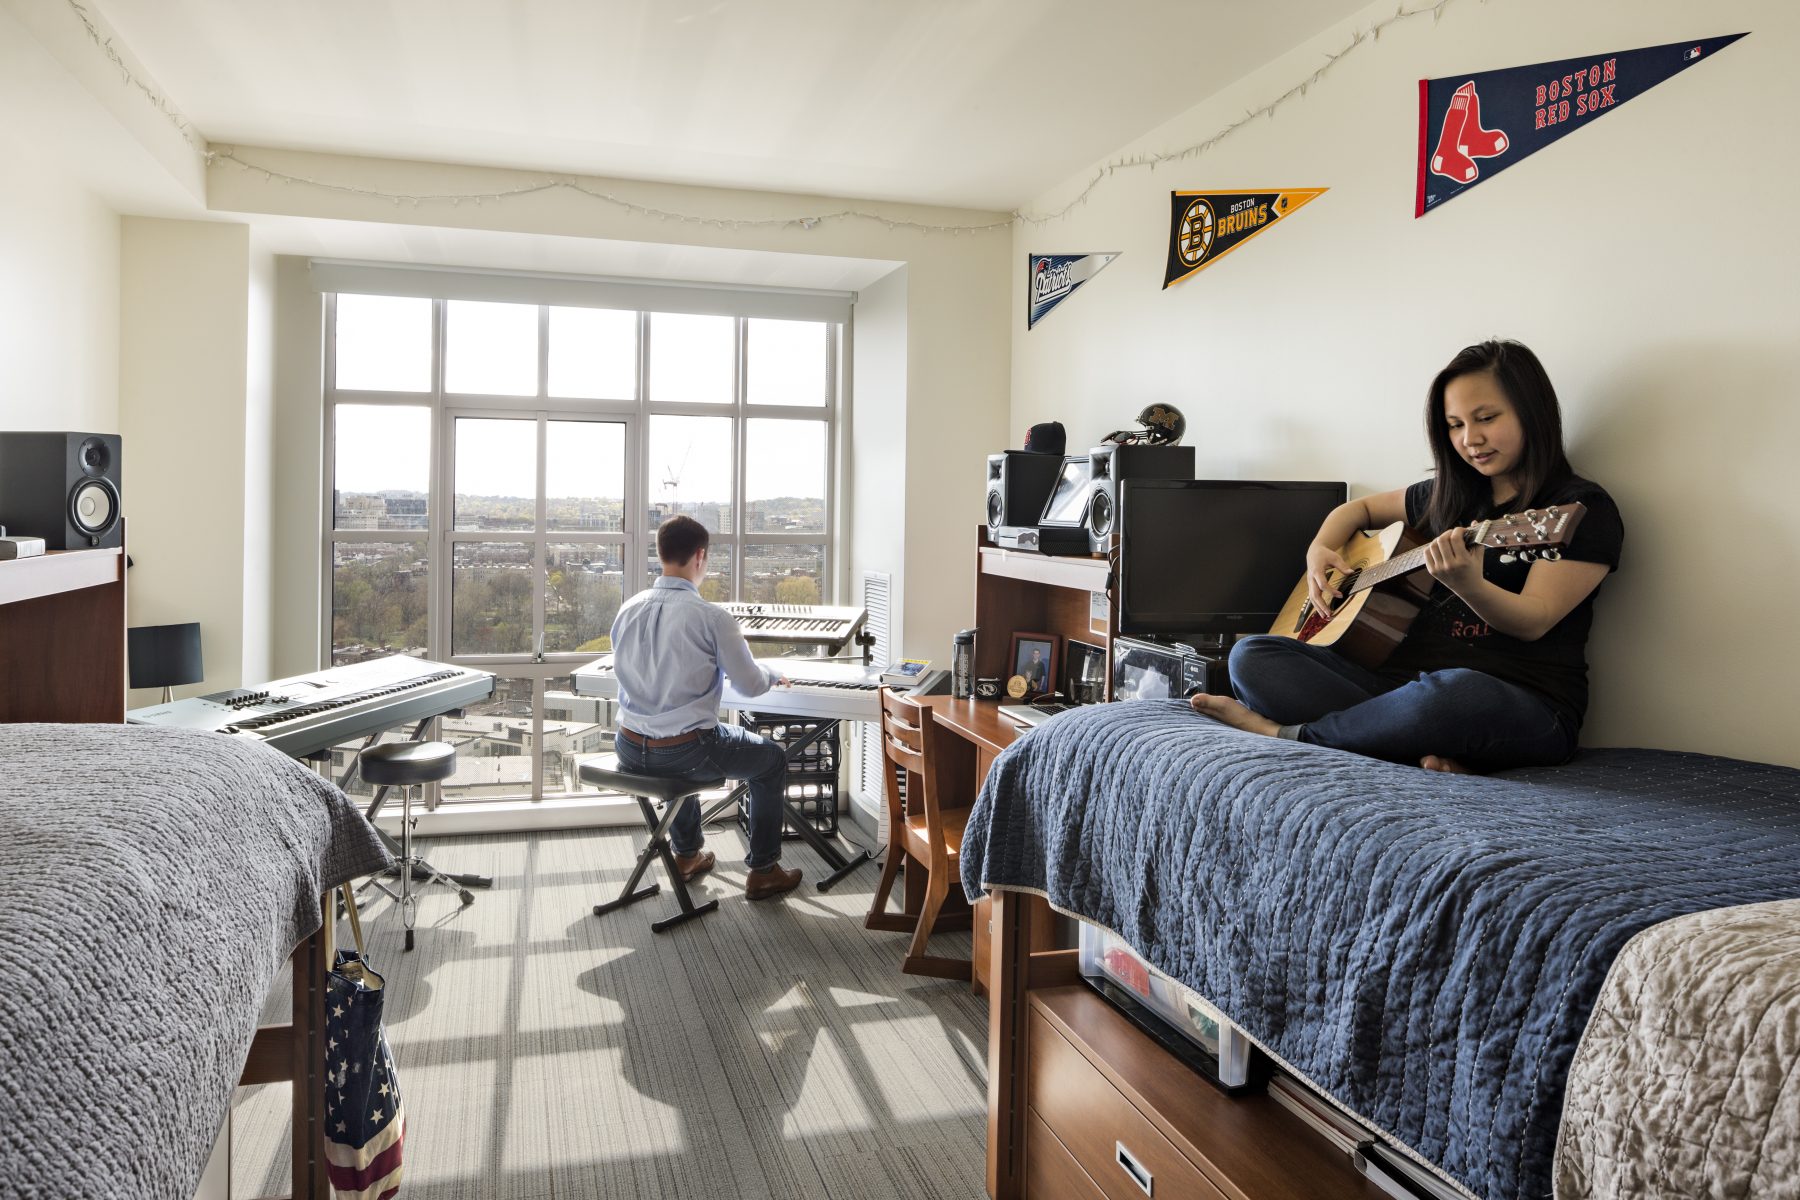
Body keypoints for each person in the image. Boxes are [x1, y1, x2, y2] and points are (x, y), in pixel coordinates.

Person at [1191, 339, 1624, 773]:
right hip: (1397, 689)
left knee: (1451, 695)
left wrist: (1468, 583)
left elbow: (1534, 621)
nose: (1470, 439)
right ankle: (1407, 744)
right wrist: (1318, 548)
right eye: (1454, 425)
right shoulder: (1448, 496)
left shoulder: (1578, 508)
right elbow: (1356, 509)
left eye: (1486, 418)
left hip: (1520, 703)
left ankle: (1284, 735)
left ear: (1533, 412)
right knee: (1252, 657)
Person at [610, 515, 802, 900]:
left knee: (685, 746)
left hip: (629, 749)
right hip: (684, 754)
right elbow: (748, 684)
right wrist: (772, 673)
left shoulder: (628, 608)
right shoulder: (712, 617)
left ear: (661, 553)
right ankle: (763, 870)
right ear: (700, 556)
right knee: (770, 761)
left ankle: (687, 855)